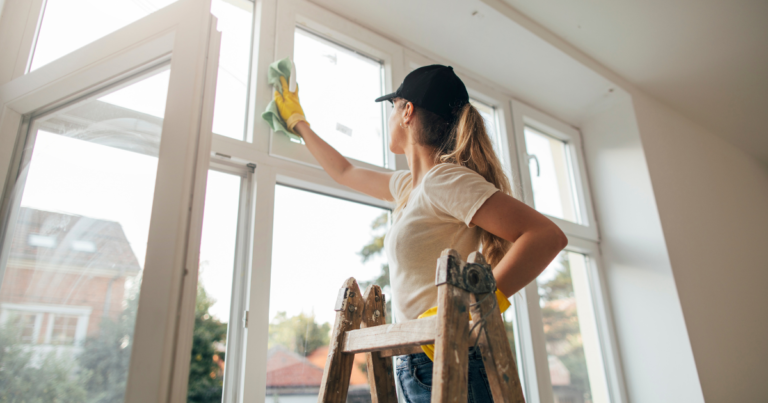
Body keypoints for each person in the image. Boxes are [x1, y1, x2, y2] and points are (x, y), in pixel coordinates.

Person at [274, 64, 567, 402]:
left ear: (407, 111)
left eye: (392, 107)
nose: (388, 118)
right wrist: (298, 122)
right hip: (418, 360)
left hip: (449, 357)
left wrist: (473, 308)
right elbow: (345, 170)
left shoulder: (445, 180)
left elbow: (546, 236)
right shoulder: (409, 188)